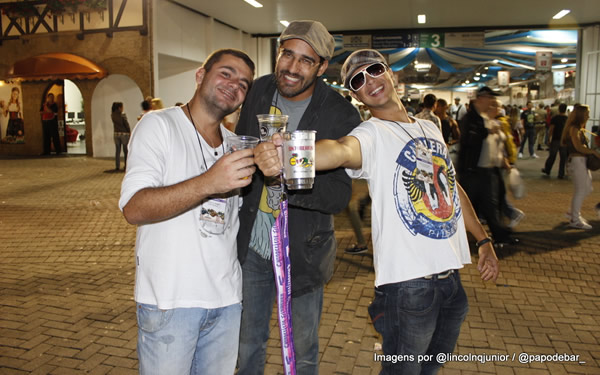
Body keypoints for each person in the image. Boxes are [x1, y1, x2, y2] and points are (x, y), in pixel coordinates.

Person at [255, 49, 499, 375]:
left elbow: (452, 189)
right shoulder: (370, 135)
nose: (369, 80)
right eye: (358, 80)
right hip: (408, 287)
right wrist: (291, 151)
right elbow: (340, 151)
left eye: (374, 70)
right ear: (356, 96)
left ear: (391, 74)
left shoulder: (430, 127)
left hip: (452, 280)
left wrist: (482, 240)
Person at [118, 48, 256, 374]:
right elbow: (134, 208)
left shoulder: (236, 144)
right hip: (171, 302)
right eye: (225, 73)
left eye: (244, 83)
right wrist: (209, 182)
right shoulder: (159, 126)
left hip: (226, 301)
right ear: (200, 75)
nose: (234, 84)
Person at [235, 20, 361, 375]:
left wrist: (288, 177)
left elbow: (338, 196)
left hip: (303, 250)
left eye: (306, 60)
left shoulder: (340, 114)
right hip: (254, 245)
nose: (292, 68)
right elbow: (242, 152)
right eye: (287, 54)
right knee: (247, 344)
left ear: (322, 67)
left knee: (303, 350)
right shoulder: (259, 91)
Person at [458, 87, 519, 247]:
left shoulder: (485, 118)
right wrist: (486, 130)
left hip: (487, 171)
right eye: (490, 97)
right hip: (472, 172)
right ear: (481, 99)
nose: (492, 101)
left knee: (489, 206)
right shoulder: (470, 118)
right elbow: (468, 141)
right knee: (468, 206)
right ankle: (459, 238)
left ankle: (500, 236)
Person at [561, 104, 600, 230]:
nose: (588, 116)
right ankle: (575, 219)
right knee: (581, 190)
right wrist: (593, 152)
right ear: (581, 115)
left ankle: (572, 212)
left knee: (587, 188)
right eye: (587, 114)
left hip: (580, 161)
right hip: (577, 161)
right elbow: (578, 147)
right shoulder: (574, 129)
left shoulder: (576, 128)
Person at [542, 103, 568, 179]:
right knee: (563, 157)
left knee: (552, 156)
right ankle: (561, 173)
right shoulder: (567, 119)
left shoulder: (555, 118)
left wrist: (549, 139)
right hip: (564, 141)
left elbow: (551, 129)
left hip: (555, 139)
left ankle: (547, 170)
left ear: (559, 109)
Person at [111, 102, 131, 171]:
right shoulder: (122, 115)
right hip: (124, 134)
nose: (123, 108)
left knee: (117, 151)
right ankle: (126, 165)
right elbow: (126, 124)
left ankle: (117, 166)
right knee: (125, 151)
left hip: (116, 134)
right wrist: (129, 131)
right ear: (119, 108)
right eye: (122, 107)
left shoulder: (112, 115)